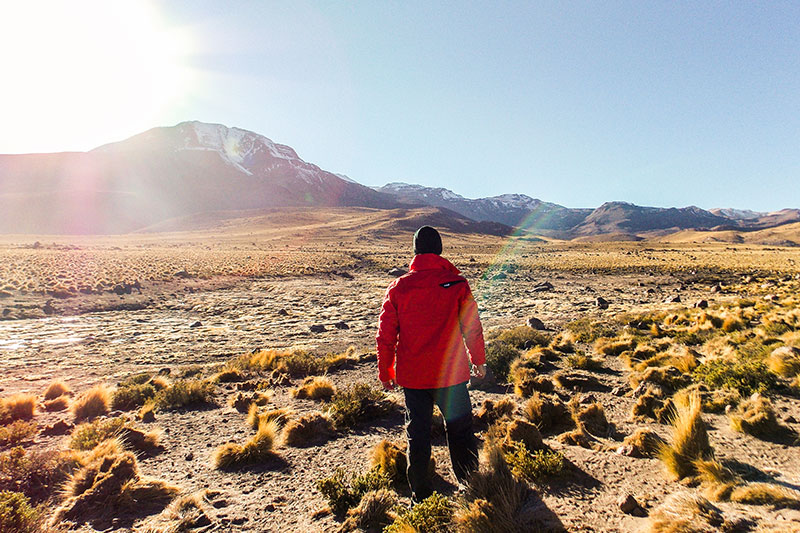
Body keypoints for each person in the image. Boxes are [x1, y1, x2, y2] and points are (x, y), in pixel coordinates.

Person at [376, 225, 487, 502]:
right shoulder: (457, 284)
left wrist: (386, 371)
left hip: (414, 378)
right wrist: (479, 360)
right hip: (451, 376)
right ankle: (470, 485)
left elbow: (386, 336)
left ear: (415, 251)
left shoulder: (399, 287)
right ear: (439, 250)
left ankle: (421, 496)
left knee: (418, 435)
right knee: (460, 430)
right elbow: (472, 327)